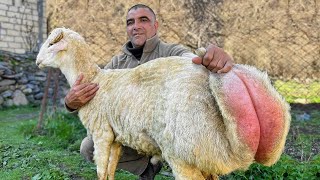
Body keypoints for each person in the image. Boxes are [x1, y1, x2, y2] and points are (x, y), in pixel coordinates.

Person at [65, 4, 233, 180]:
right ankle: (147, 168)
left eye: (143, 20)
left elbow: (191, 61)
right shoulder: (116, 65)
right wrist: (70, 103)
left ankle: (197, 167)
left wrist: (210, 59)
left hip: (169, 132)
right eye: (130, 22)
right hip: (135, 135)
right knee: (89, 146)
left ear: (155, 25)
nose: (136, 26)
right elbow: (97, 99)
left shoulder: (171, 52)